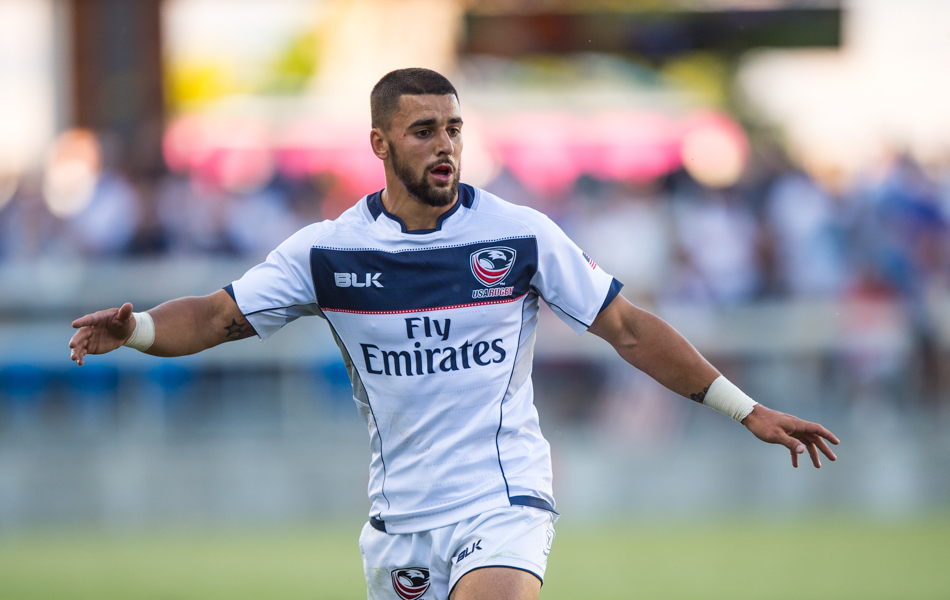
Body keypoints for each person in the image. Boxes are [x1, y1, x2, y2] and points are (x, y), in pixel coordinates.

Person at [69, 68, 839, 600]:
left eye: (455, 129)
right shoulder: (327, 252)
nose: (444, 146)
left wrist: (747, 410)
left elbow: (629, 329)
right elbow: (211, 316)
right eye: (423, 131)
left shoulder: (519, 235)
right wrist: (135, 328)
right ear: (379, 145)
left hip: (502, 500)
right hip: (398, 520)